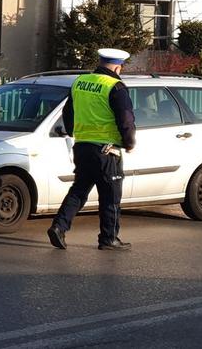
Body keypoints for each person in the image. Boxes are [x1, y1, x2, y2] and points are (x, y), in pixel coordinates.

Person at [47, 48, 136, 251]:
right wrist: (129, 142)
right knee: (111, 196)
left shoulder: (80, 82)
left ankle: (59, 227)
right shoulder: (115, 86)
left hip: (82, 146)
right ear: (117, 66)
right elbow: (126, 118)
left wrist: (72, 131)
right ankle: (109, 238)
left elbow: (68, 111)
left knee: (79, 190)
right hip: (107, 150)